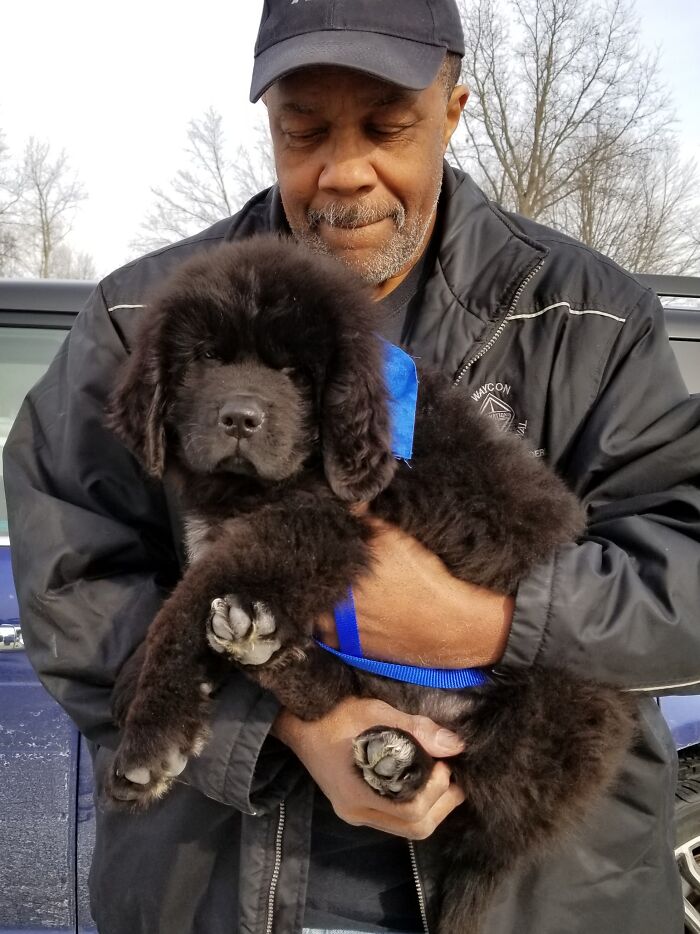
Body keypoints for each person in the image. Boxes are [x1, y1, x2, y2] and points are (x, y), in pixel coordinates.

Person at [4, 0, 700, 931]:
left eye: (387, 126)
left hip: (539, 883)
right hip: (222, 877)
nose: (344, 173)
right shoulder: (144, 316)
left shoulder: (590, 321)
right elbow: (69, 569)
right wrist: (286, 723)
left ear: (452, 111)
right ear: (268, 122)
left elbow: (684, 576)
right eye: (304, 131)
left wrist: (483, 622)